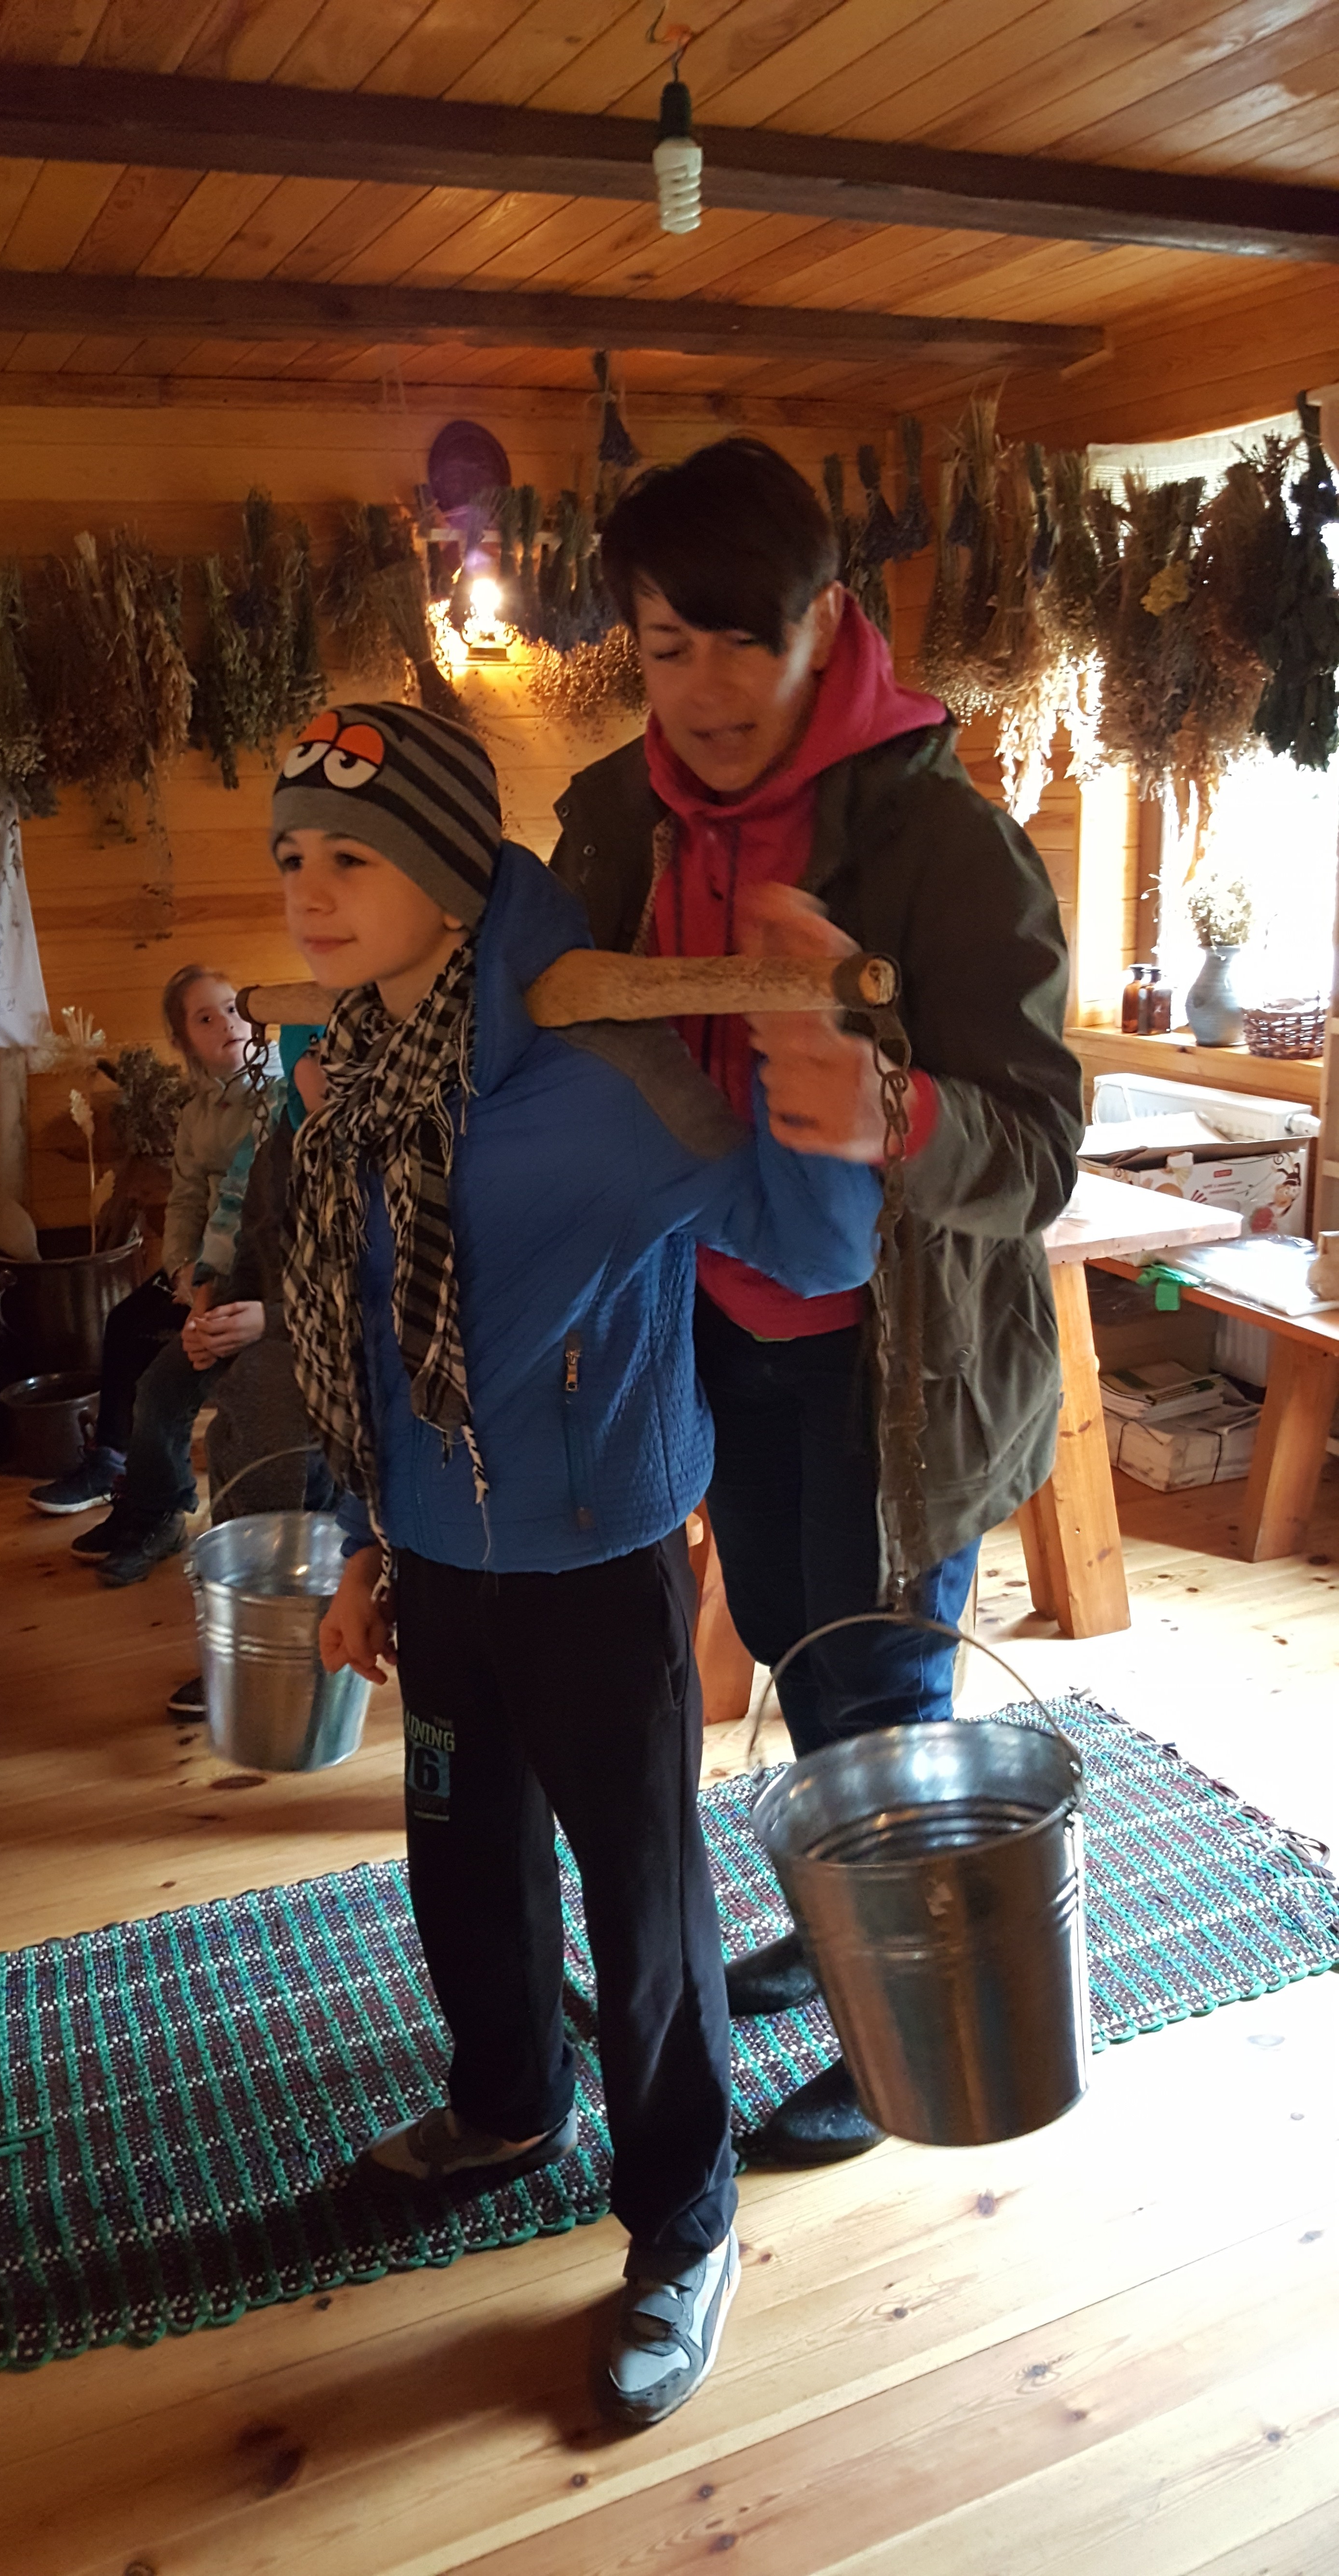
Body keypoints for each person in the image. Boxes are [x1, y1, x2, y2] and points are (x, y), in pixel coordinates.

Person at [276, 700, 882, 2431]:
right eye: (294, 857)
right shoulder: (348, 1075)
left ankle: (686, 2218)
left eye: (353, 857)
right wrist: (356, 1541)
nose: (310, 893)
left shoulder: (607, 1079)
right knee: (460, 1853)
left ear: (452, 872)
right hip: (436, 1552)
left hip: (600, 1555)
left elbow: (803, 1246)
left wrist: (829, 1099)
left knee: (642, 1902)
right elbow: (356, 1336)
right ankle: (507, 2101)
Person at [551, 437, 1084, 2167]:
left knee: (883, 1689)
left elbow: (1042, 1148)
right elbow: (551, 1028)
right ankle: (847, 1923)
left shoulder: (946, 842)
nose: (706, 690)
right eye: (666, 647)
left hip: (899, 1361)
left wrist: (890, 1109)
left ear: (827, 621)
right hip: (712, 1331)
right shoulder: (614, 821)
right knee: (788, 1632)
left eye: (744, 641)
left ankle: (903, 2017)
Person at [30, 965, 257, 1548]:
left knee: (173, 1366)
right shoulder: (196, 1112)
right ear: (184, 1041)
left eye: (233, 1008)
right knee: (127, 1322)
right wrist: (180, 1270)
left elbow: (242, 1202)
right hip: (202, 1266)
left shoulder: (276, 1094)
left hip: (253, 1266)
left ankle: (158, 1491)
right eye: (206, 1018)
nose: (227, 1024)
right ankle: (112, 1460)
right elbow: (186, 1199)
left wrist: (205, 1285)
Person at [163, 1034, 336, 1721]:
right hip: (276, 1332)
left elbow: (380, 1293)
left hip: (350, 1346)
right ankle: (241, 1640)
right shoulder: (281, 1145)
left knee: (269, 1402)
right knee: (232, 1394)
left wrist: (271, 1322)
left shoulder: (384, 1145)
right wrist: (212, 1320)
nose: (324, 1068)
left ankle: (281, 1638)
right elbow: (252, 1252)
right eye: (313, 1053)